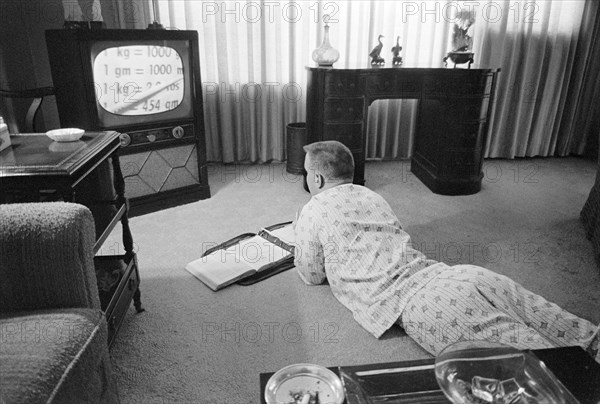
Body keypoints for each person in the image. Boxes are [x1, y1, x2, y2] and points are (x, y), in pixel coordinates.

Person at [293, 140, 599, 361]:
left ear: (316, 178)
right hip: (459, 275)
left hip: (424, 303)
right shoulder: (371, 196)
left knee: (546, 369)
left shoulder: (314, 208)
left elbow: (312, 273)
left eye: (307, 173)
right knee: (572, 329)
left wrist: (300, 233)